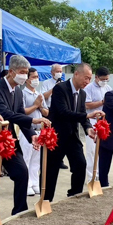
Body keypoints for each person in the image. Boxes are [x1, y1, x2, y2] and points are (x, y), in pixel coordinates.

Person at [0, 55, 49, 225]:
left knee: (21, 172)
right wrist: (33, 120)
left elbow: (19, 115)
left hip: (9, 140)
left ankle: (19, 211)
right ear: (12, 71)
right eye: (22, 73)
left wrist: (31, 136)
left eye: (26, 73)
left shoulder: (19, 92)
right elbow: (5, 113)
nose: (24, 76)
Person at [43, 63, 101, 201]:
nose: (87, 82)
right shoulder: (60, 89)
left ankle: (74, 197)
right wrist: (87, 116)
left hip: (72, 136)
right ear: (76, 74)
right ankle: (46, 200)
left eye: (89, 79)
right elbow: (63, 113)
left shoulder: (82, 93)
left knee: (80, 164)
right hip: (56, 136)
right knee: (51, 170)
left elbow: (81, 114)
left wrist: (88, 129)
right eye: (86, 78)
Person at [21, 68, 49, 196]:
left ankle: (34, 183)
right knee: (26, 159)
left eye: (37, 77)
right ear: (27, 79)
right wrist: (35, 105)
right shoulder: (22, 94)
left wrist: (41, 106)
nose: (36, 80)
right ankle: (26, 184)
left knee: (36, 160)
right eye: (33, 77)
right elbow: (21, 112)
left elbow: (47, 112)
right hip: (27, 130)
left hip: (40, 131)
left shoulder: (39, 94)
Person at [84, 67, 112, 183]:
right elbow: (87, 105)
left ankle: (100, 173)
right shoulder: (88, 88)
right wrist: (102, 102)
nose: (104, 81)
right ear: (96, 77)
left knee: (103, 148)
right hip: (92, 120)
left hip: (103, 121)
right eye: (103, 79)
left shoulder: (108, 88)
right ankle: (91, 175)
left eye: (106, 79)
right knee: (91, 149)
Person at [41, 64, 67, 170]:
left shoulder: (64, 83)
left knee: (61, 135)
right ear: (52, 72)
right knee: (50, 135)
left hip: (60, 111)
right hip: (49, 111)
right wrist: (55, 88)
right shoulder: (46, 83)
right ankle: (48, 157)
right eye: (57, 71)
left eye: (60, 71)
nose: (59, 73)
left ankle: (60, 159)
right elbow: (43, 97)